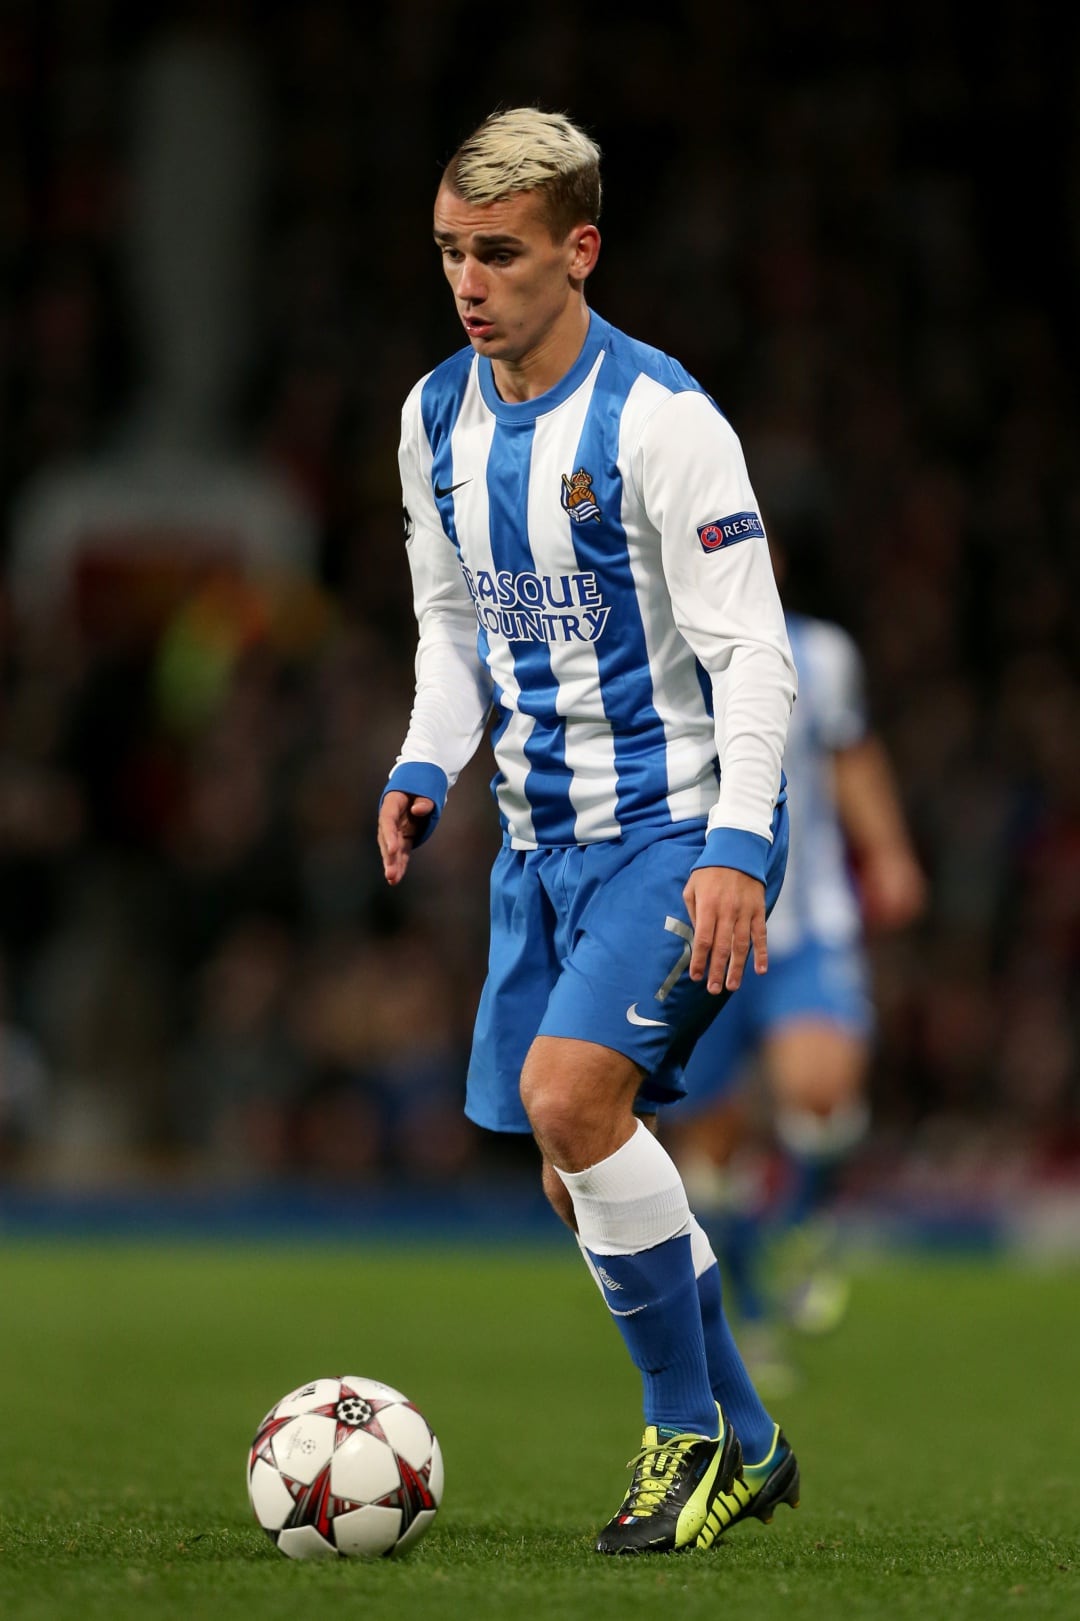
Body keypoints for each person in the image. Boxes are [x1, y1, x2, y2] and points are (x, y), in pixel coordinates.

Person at [376, 106, 799, 1556]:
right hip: (538, 846)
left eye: (497, 252)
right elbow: (450, 625)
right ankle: (751, 1432)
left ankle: (686, 1443)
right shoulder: (433, 419)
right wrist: (429, 759)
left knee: (572, 1103)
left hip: (679, 829)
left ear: (581, 250)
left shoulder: (666, 423)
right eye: (448, 252)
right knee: (575, 1167)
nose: (468, 281)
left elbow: (756, 654)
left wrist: (741, 846)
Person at [665, 589, 928, 1388]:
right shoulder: (655, 647)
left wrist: (887, 851)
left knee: (821, 1088)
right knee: (710, 1152)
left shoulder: (821, 653)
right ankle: (750, 1314)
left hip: (806, 922)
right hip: (695, 928)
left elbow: (850, 754)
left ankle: (807, 1221)